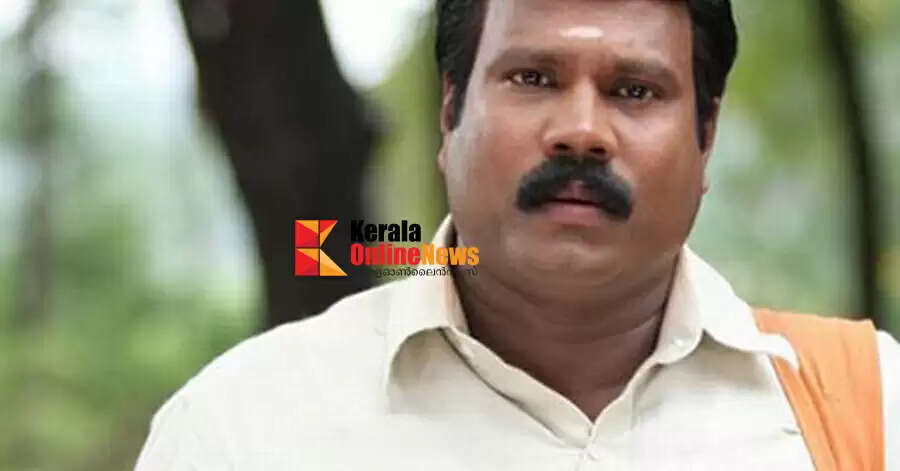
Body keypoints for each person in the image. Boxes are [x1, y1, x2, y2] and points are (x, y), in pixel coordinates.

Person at [135, 0, 899, 469]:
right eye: (533, 78)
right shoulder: (245, 428)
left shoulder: (870, 411)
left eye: (635, 90)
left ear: (706, 138)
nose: (581, 131)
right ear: (450, 114)